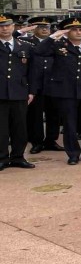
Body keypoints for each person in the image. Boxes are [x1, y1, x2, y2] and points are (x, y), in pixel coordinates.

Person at [33, 18, 81, 165]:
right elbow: (38, 51)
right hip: (66, 92)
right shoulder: (58, 46)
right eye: (74, 29)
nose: (79, 32)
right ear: (67, 31)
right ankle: (73, 154)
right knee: (70, 125)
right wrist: (54, 36)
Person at [21, 16, 63, 154]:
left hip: (53, 84)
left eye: (47, 27)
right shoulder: (26, 42)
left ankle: (51, 140)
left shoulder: (58, 42)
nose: (45, 29)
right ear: (34, 29)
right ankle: (36, 142)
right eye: (40, 27)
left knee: (54, 114)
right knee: (35, 115)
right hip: (35, 84)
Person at [0, 13, 35, 170]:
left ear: (13, 27)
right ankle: (2, 158)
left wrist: (31, 91)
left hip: (20, 92)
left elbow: (32, 71)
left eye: (7, 25)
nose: (5, 28)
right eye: (1, 26)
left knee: (20, 127)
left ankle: (18, 157)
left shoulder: (25, 46)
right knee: (1, 128)